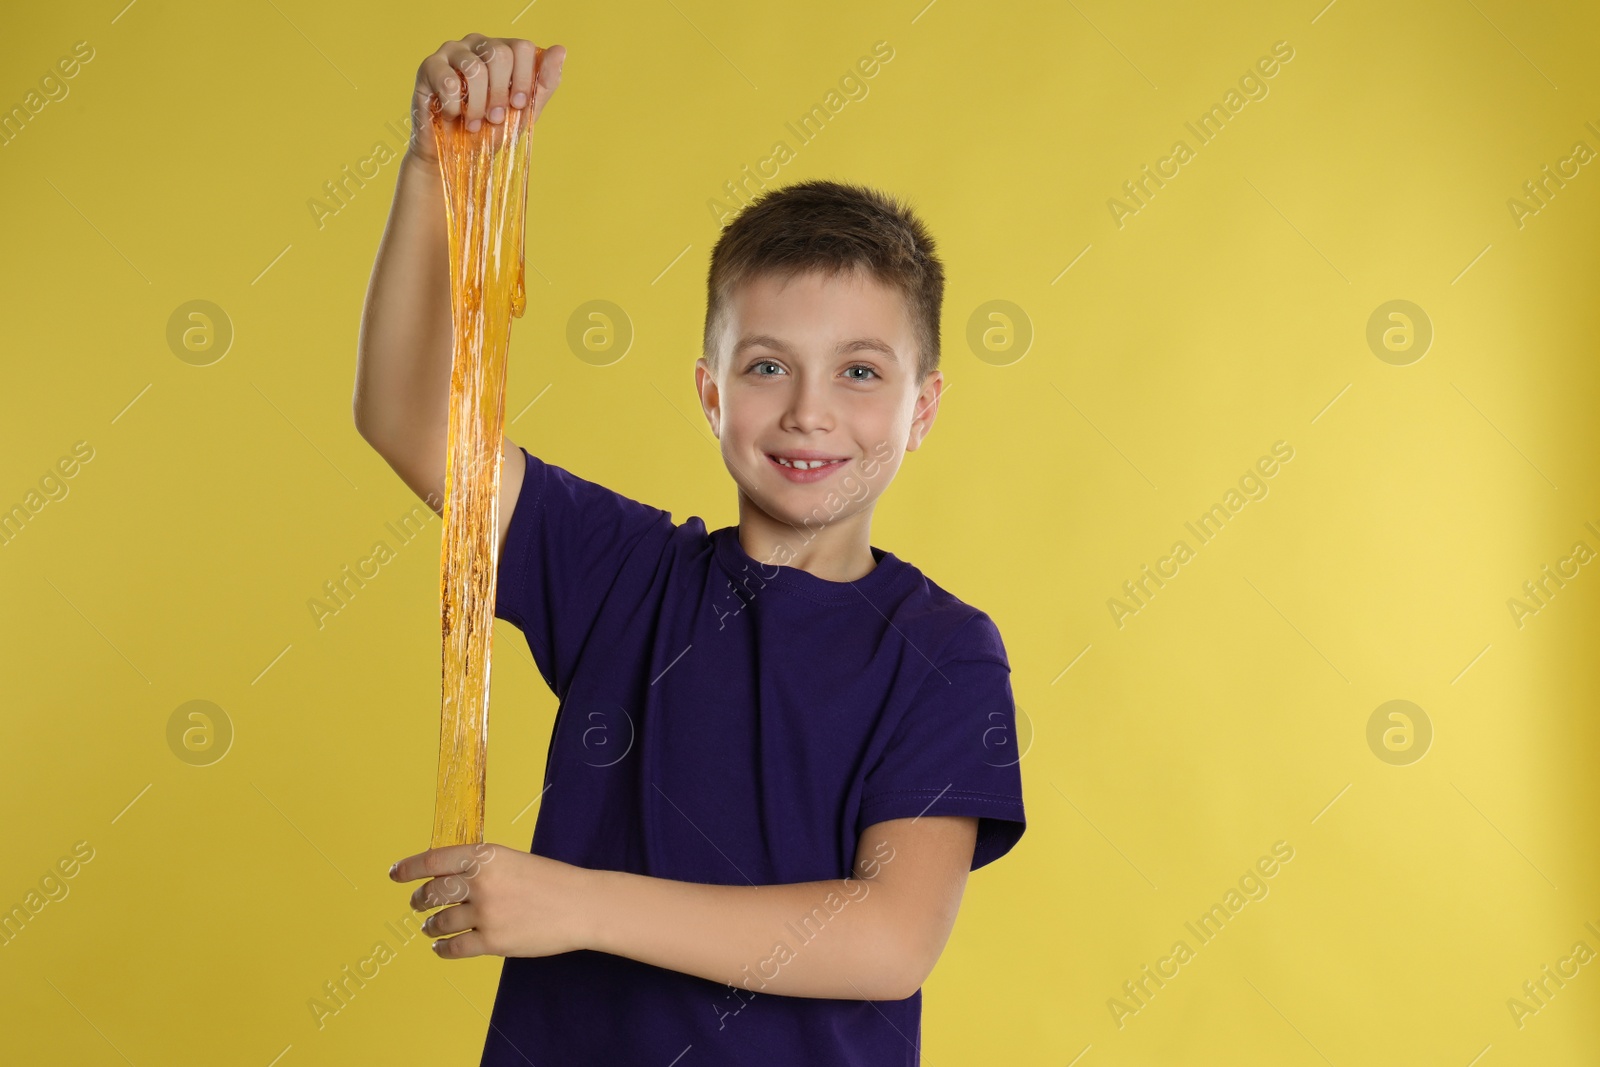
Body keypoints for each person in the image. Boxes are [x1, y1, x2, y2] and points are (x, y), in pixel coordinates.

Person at [355, 32, 1028, 1066]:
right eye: (767, 366)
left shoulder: (945, 652)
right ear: (711, 394)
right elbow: (409, 420)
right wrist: (432, 172)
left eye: (858, 372)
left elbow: (887, 939)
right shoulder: (622, 574)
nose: (809, 413)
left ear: (922, 406)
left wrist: (575, 903)